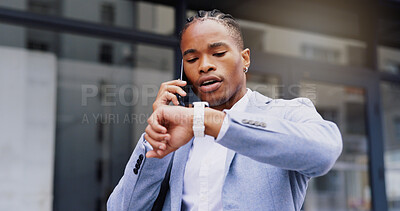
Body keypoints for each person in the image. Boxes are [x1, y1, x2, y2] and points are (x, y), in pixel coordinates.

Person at [107, 9, 342, 211]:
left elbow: (325, 152)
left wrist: (209, 122)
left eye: (218, 53)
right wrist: (155, 142)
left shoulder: (287, 112)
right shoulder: (178, 135)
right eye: (191, 59)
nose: (204, 65)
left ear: (245, 59)